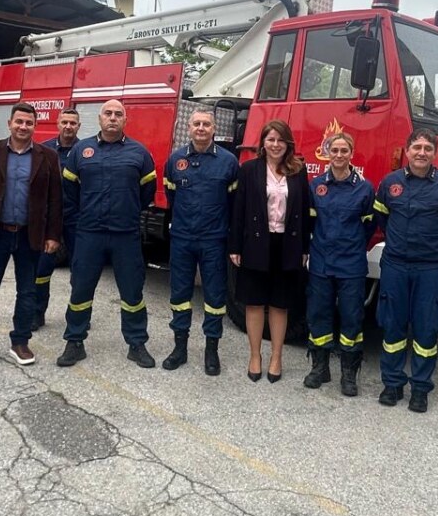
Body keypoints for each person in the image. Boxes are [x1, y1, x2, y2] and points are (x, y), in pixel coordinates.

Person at [0, 103, 62, 371]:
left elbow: (55, 200)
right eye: (19, 122)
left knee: (27, 292)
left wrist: (53, 235)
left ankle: (20, 342)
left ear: (35, 126)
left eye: (29, 123)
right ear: (9, 124)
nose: (23, 127)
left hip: (30, 236)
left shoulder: (48, 157)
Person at [57, 99, 158, 368]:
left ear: (125, 120)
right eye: (108, 113)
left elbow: (147, 192)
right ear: (100, 119)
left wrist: (127, 210)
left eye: (118, 114)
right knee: (81, 288)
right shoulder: (81, 150)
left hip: (126, 234)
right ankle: (74, 342)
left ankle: (136, 343)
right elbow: (70, 190)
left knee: (132, 291)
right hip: (89, 233)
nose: (113, 118)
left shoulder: (139, 153)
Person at [372, 129, 438, 411]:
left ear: (434, 153)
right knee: (393, 325)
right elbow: (382, 218)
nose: (421, 153)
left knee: (427, 330)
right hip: (396, 265)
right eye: (417, 147)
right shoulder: (391, 182)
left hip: (430, 268)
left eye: (427, 148)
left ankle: (420, 389)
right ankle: (392, 384)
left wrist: (434, 250)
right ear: (407, 150)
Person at [229, 120, 312, 383]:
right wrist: (235, 246)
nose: (275, 145)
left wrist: (304, 248)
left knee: (280, 304)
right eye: (270, 139)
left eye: (280, 140)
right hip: (256, 243)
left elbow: (305, 212)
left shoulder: (298, 170)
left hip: (287, 245)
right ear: (263, 143)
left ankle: (276, 357)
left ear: (288, 143)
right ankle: (255, 356)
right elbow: (238, 209)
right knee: (254, 303)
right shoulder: (249, 169)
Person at [162, 107, 239, 375]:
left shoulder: (229, 162)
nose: (201, 128)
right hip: (182, 238)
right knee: (180, 295)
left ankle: (211, 351)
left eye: (206, 124)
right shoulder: (176, 160)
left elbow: (233, 203)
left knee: (215, 296)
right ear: (189, 127)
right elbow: (171, 197)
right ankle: (179, 348)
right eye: (197, 124)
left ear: (214, 129)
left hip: (214, 239)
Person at [304, 132, 377, 397]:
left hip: (351, 264)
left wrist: (352, 244)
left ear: (351, 154)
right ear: (327, 153)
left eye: (344, 150)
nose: (338, 155)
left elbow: (369, 226)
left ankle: (348, 374)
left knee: (352, 318)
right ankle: (319, 368)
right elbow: (311, 222)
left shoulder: (365, 188)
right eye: (334, 150)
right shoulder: (316, 186)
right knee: (318, 314)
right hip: (321, 262)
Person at [30, 107, 81, 332]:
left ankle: (78, 317)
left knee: (80, 270)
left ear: (78, 126)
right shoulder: (43, 149)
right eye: (65, 122)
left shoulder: (86, 150)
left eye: (73, 123)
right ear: (57, 124)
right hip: (49, 218)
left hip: (76, 218)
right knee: (42, 268)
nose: (68, 126)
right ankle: (36, 313)